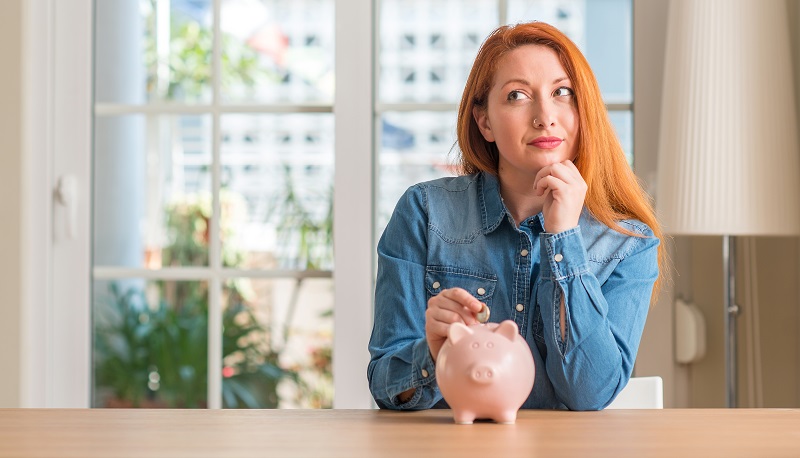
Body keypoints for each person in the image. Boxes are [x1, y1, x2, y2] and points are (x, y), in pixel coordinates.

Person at [367, 21, 666, 411]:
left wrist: (563, 239)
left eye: (563, 92)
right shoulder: (424, 212)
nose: (545, 116)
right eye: (518, 96)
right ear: (484, 122)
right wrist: (433, 354)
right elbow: (386, 386)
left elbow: (590, 395)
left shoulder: (628, 242)